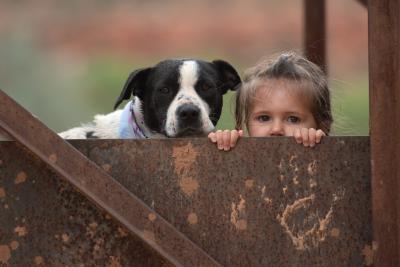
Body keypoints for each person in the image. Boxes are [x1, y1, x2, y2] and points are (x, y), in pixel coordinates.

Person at [208, 51, 333, 151]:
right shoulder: (242, 155)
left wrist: (320, 147)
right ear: (245, 124)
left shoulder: (326, 158)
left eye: (293, 119)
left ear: (323, 125)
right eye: (264, 118)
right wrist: (224, 147)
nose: (276, 130)